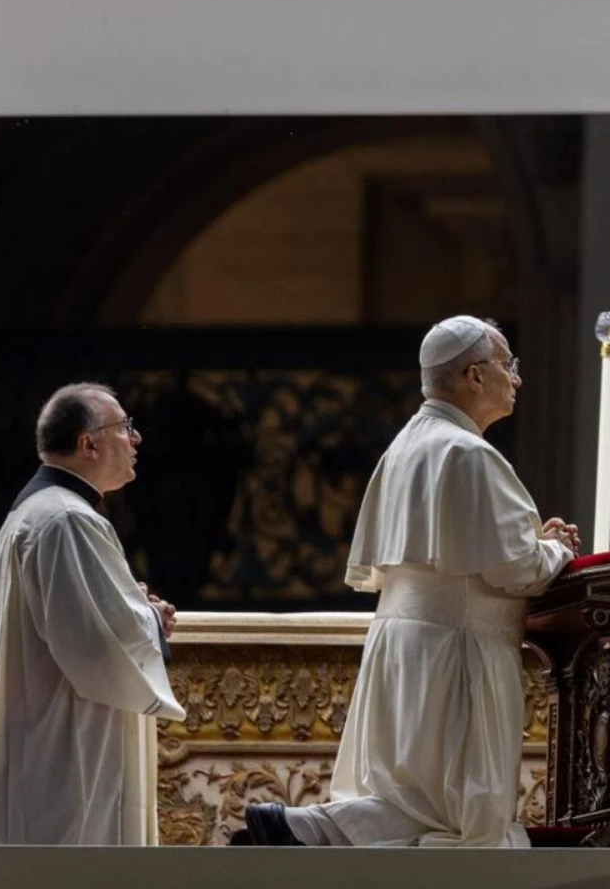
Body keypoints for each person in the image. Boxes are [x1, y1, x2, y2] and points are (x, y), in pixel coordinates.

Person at [235, 317, 578, 847]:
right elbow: (515, 569)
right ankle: (309, 829)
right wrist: (557, 549)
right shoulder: (467, 453)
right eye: (507, 365)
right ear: (473, 375)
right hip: (458, 653)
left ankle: (304, 829)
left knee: (414, 802)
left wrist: (536, 543)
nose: (517, 378)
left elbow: (480, 544)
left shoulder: (406, 445)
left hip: (404, 644)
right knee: (462, 812)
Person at [0, 383, 183, 845]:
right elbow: (94, 646)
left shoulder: (39, 513)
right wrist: (150, 618)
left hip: (42, 735)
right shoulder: (67, 520)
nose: (136, 439)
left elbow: (75, 614)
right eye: (124, 427)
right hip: (61, 752)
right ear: (88, 443)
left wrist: (130, 604)